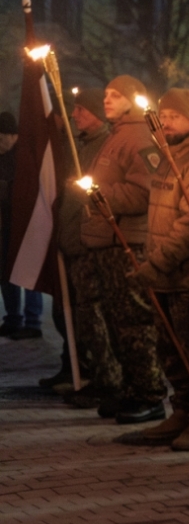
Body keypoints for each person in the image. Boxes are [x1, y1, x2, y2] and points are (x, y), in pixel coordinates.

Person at [125, 88, 189, 453]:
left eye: (173, 117)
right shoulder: (167, 153)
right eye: (163, 116)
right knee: (171, 349)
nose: (165, 122)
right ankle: (181, 409)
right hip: (165, 274)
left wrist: (159, 262)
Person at [81, 76, 166, 424]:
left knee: (134, 319)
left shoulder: (139, 136)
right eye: (106, 94)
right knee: (117, 320)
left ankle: (150, 392)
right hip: (107, 243)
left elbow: (146, 191)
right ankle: (131, 388)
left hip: (127, 242)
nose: (107, 100)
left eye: (116, 95)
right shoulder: (117, 135)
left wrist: (103, 197)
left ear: (134, 100)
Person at [53, 90, 119, 407]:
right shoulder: (82, 146)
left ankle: (108, 378)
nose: (75, 115)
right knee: (85, 317)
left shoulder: (104, 146)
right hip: (76, 243)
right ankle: (97, 376)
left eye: (81, 110)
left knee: (98, 317)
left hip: (90, 244)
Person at [0, 110, 44, 339]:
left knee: (28, 271)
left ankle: (33, 320)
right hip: (4, 223)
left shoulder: (25, 157)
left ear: (13, 135)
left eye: (0, 138)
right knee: (5, 271)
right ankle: (13, 317)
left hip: (26, 223)